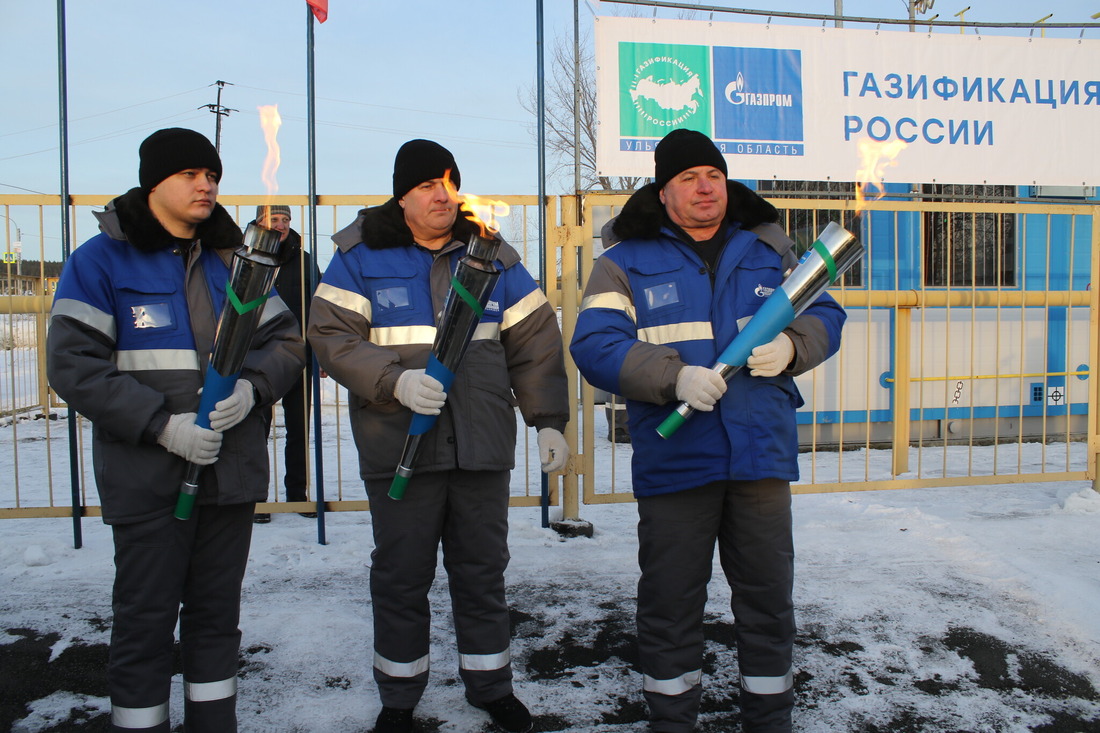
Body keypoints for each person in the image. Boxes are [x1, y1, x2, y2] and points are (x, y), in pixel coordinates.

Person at [569, 129, 847, 733]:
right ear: (664, 191)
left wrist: (793, 348)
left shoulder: (769, 248)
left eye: (714, 176)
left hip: (759, 456)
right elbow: (593, 344)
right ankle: (673, 721)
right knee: (671, 602)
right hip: (677, 458)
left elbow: (826, 311)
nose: (705, 187)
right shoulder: (624, 261)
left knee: (769, 601)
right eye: (690, 178)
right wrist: (673, 377)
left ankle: (769, 720)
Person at [46, 128, 306, 733]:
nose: (206, 184)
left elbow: (287, 344)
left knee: (217, 619)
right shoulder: (101, 260)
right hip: (148, 479)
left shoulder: (234, 262)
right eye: (191, 173)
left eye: (212, 174)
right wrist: (162, 427)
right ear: (153, 182)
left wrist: (252, 389)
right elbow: (73, 365)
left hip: (229, 471)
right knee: (145, 619)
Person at [307, 139, 569, 733]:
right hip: (399, 446)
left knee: (482, 573)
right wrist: (392, 383)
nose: (441, 194)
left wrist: (548, 420)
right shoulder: (360, 258)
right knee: (402, 576)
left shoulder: (493, 256)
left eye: (449, 182)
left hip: (480, 447)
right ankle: (399, 697)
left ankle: (490, 686)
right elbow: (329, 337)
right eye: (427, 184)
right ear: (403, 194)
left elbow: (535, 343)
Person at [251, 204, 322, 523]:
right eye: (273, 219)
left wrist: (319, 355)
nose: (280, 225)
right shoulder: (246, 257)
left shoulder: (305, 262)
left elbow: (320, 311)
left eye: (285, 219)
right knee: (255, 430)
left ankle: (298, 494)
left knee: (298, 429)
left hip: (299, 356)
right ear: (258, 222)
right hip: (256, 357)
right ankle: (257, 498)